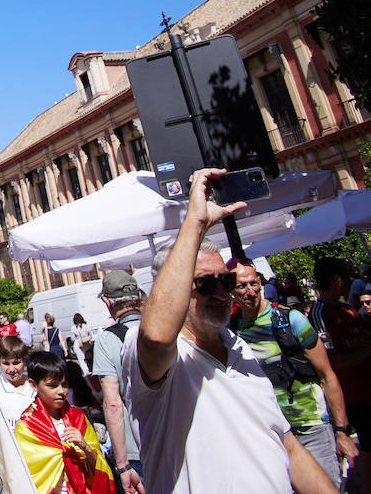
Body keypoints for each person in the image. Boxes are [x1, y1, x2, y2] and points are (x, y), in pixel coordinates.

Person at [120, 167, 336, 494]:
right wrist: (194, 223)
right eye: (206, 284)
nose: (223, 293)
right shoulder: (152, 353)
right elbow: (156, 336)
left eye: (226, 281)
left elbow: (285, 443)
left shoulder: (238, 345)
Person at [233, 258, 359, 486]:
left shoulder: (291, 319)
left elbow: (327, 375)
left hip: (310, 427)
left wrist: (342, 432)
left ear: (260, 282)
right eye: (242, 286)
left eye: (253, 283)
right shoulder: (231, 332)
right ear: (231, 291)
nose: (250, 291)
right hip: (270, 435)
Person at [11, 351, 113, 493]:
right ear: (34, 385)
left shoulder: (78, 418)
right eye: (52, 386)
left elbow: (100, 468)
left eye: (64, 385)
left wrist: (85, 447)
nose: (61, 391)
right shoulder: (26, 427)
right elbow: (21, 477)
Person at [309, 256, 371, 483]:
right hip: (350, 397)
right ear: (336, 280)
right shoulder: (319, 314)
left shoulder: (348, 310)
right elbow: (330, 362)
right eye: (346, 275)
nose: (349, 280)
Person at [90, 269, 145, 492]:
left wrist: (121, 465)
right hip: (176, 441)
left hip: (135, 448)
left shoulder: (106, 340)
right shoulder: (166, 330)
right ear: (139, 297)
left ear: (107, 302)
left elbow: (113, 404)